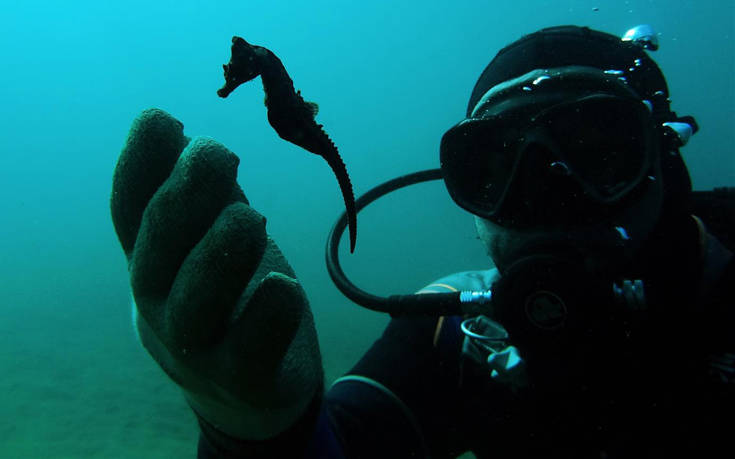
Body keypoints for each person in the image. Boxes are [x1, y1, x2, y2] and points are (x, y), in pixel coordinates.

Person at [110, 25, 734, 458]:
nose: (549, 201)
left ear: (666, 160)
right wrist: (257, 433)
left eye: (601, 154)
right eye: (496, 167)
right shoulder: (452, 333)